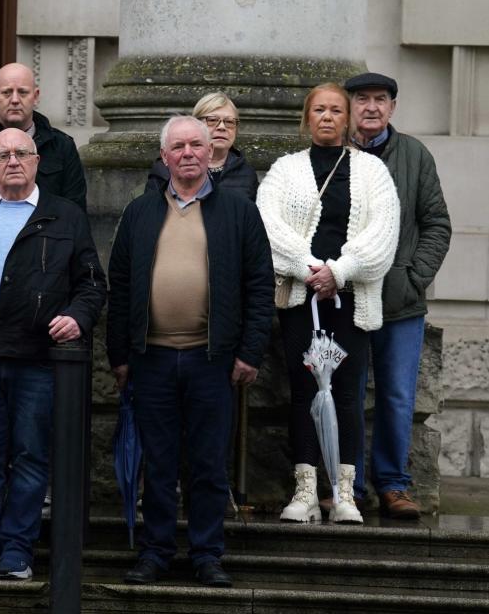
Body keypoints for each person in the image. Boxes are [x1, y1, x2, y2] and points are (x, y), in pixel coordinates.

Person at [108, 115, 273, 588]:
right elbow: (120, 287)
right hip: (151, 358)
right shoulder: (140, 211)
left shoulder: (239, 211)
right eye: (177, 146)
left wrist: (249, 353)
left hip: (212, 359)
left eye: (196, 145)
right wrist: (119, 354)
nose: (187, 153)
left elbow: (260, 286)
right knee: (157, 463)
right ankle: (156, 553)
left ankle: (206, 555)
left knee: (207, 462)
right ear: (164, 157)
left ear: (210, 154)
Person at [0, 128, 106, 582]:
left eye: (21, 153)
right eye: (2, 155)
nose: (12, 161)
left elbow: (92, 284)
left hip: (37, 358)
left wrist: (77, 317)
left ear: (37, 161)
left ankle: (17, 550)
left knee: (31, 458)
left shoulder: (66, 216)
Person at [257, 84, 400, 527]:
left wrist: (338, 272)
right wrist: (308, 268)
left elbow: (383, 231)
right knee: (303, 393)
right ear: (306, 116)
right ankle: (303, 490)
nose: (326, 117)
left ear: (347, 118)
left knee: (347, 395)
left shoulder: (373, 171)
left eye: (335, 110)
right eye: (318, 109)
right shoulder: (284, 170)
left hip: (350, 300)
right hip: (303, 301)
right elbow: (267, 223)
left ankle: (343, 494)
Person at [345, 72, 451, 518]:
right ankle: (347, 484)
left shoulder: (414, 155)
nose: (372, 107)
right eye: (363, 99)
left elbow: (436, 224)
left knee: (396, 397)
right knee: (345, 393)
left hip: (399, 303)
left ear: (393, 107)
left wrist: (414, 276)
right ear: (350, 105)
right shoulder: (335, 155)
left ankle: (392, 484)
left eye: (381, 99)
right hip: (343, 300)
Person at [0, 63, 87, 211]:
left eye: (22, 92)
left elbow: (75, 211)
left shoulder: (61, 146)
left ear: (35, 96)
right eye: (7, 92)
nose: (14, 100)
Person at [146, 92, 258, 200]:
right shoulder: (166, 169)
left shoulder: (246, 174)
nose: (222, 127)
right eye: (212, 120)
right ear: (196, 124)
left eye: (229, 122)